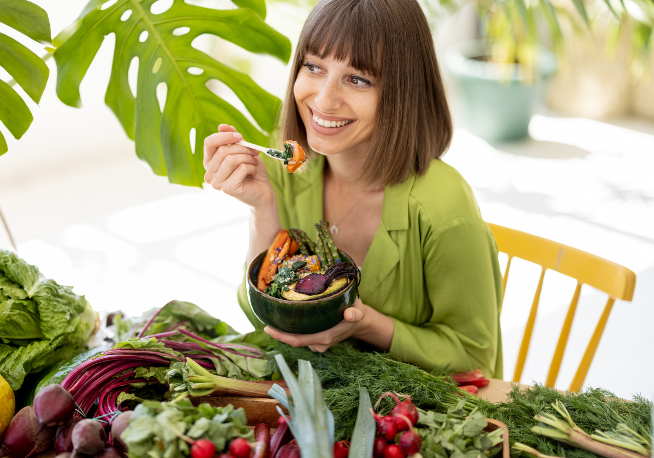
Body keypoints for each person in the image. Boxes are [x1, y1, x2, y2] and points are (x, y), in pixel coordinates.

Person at [203, 0, 503, 377]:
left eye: (358, 79)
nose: (324, 100)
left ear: (402, 92)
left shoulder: (444, 207)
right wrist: (263, 209)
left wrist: (366, 323)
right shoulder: (288, 169)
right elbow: (260, 320)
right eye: (314, 67)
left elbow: (475, 359)